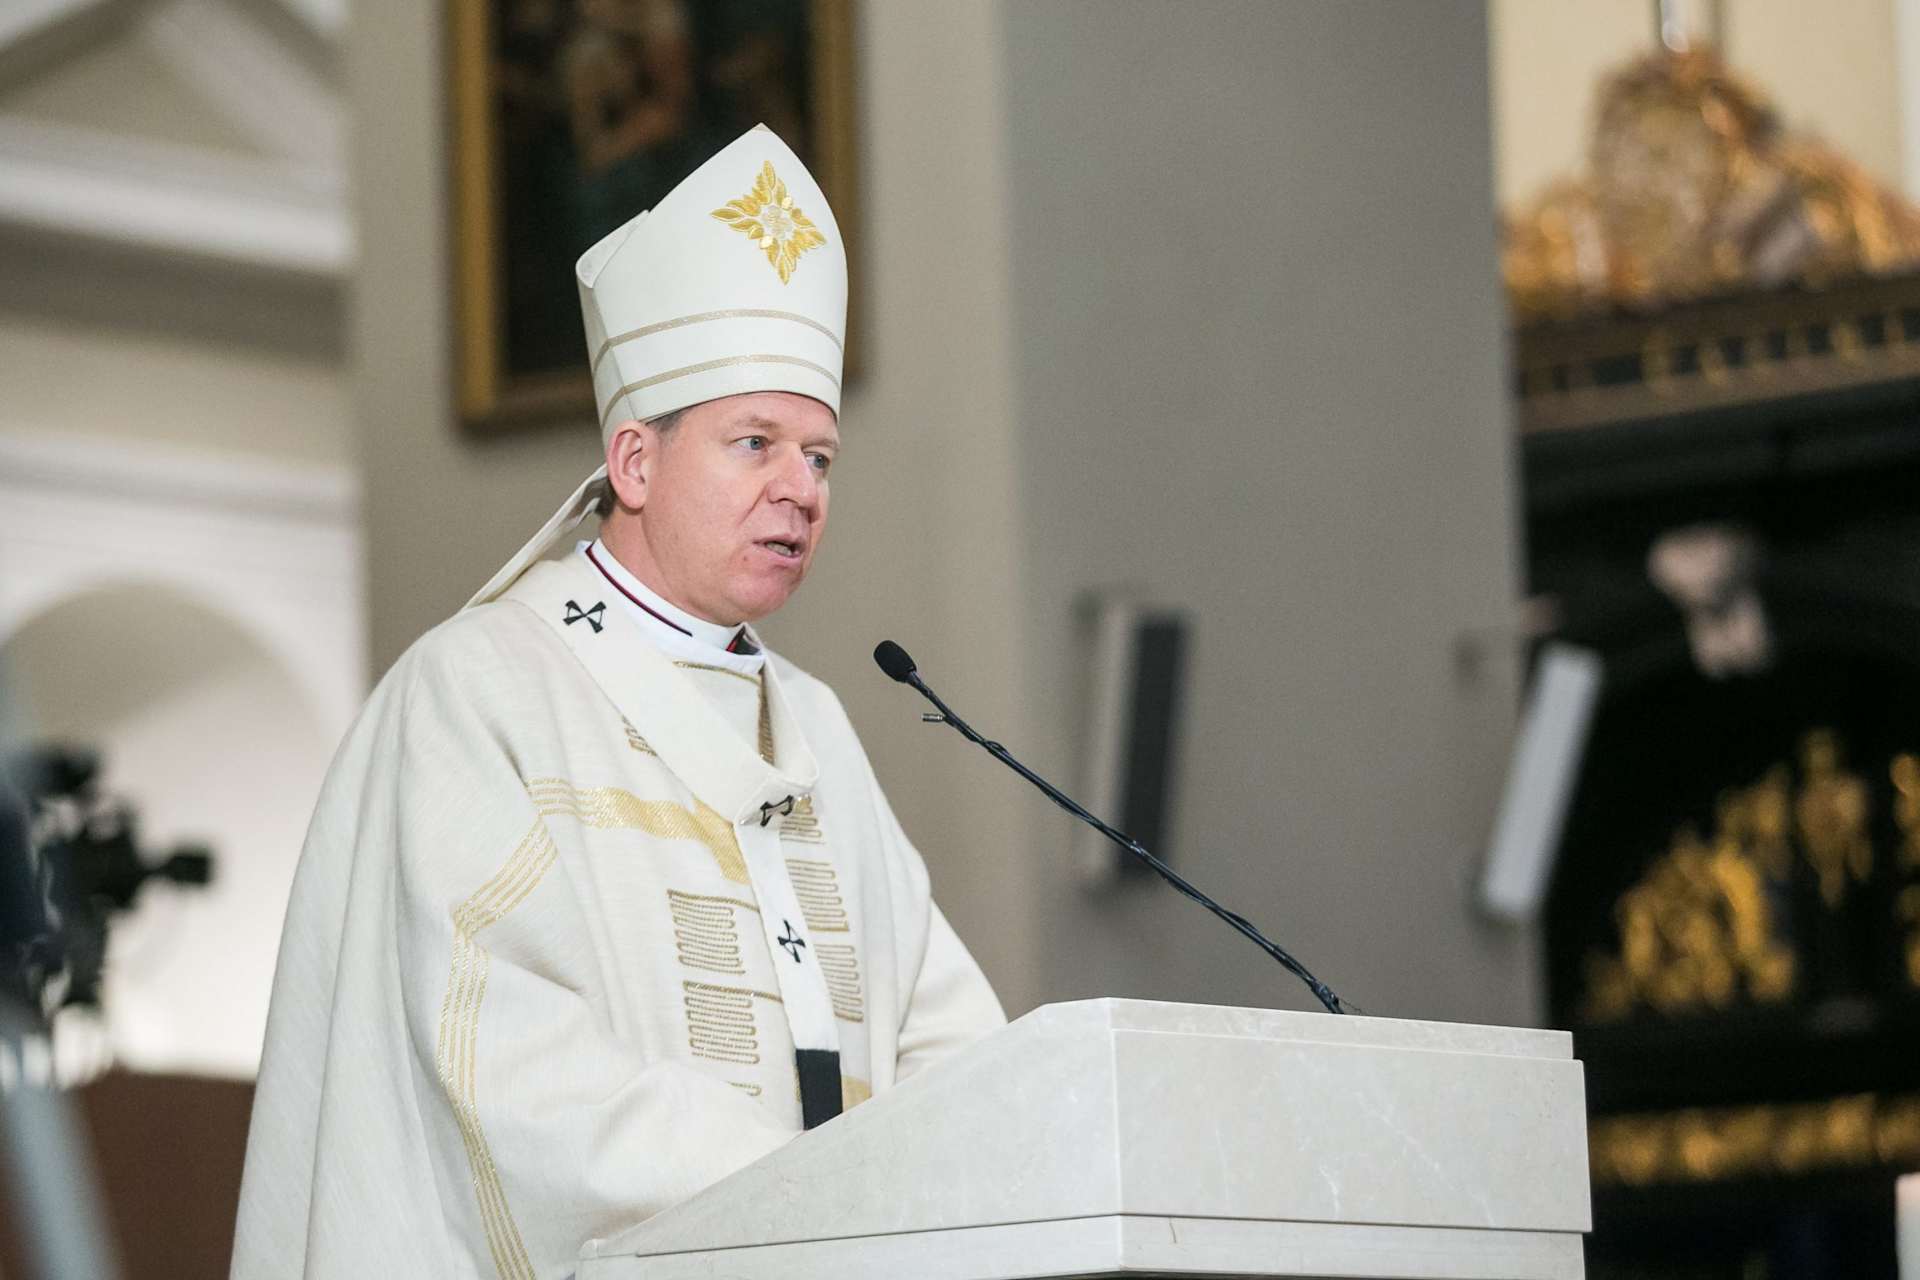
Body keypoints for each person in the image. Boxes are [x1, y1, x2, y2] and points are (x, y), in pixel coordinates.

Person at [231, 126, 1005, 1279]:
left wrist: (966, 1171)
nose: (800, 489)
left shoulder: (817, 728)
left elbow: (948, 1042)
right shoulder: (478, 694)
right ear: (635, 462)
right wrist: (819, 1197)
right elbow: (508, 1067)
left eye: (820, 457)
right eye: (756, 443)